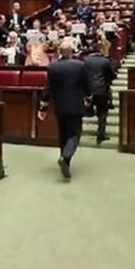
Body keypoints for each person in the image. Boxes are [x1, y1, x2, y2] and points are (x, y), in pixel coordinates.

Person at [38, 40, 92, 180]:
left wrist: (43, 107)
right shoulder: (80, 65)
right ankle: (66, 157)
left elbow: (48, 89)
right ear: (72, 51)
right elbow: (87, 86)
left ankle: (64, 160)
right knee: (74, 134)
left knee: (63, 134)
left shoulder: (53, 67)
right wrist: (88, 99)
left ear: (59, 53)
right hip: (75, 106)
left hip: (60, 106)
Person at [83, 39, 117, 145]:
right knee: (102, 113)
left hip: (88, 90)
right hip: (102, 90)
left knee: (84, 110)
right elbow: (112, 75)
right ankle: (100, 135)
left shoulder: (86, 60)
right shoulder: (105, 61)